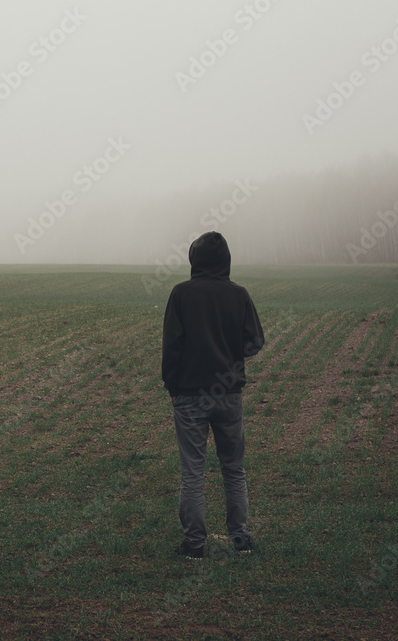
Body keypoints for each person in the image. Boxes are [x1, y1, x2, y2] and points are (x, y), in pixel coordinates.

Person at [161, 231, 264, 559]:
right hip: (229, 394)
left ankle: (194, 546)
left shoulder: (181, 294)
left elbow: (172, 347)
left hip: (189, 396)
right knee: (233, 468)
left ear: (194, 258)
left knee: (192, 470)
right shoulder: (240, 295)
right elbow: (255, 343)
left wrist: (173, 388)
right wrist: (231, 357)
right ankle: (241, 540)